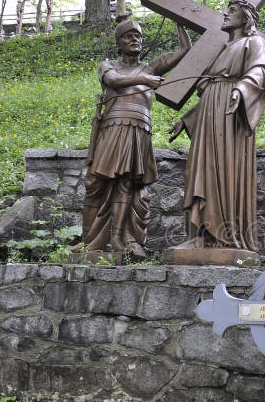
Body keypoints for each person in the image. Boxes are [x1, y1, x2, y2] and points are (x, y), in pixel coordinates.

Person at [76, 18, 191, 259]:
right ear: (119, 43)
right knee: (95, 182)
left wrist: (179, 22)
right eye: (128, 36)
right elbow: (113, 81)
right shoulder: (109, 65)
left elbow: (184, 51)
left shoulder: (150, 68)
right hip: (113, 126)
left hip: (138, 128)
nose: (135, 40)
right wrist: (144, 80)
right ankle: (90, 241)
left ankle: (118, 238)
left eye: (138, 36)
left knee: (127, 182)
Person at [168, 0, 265, 251]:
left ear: (245, 18)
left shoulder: (254, 42)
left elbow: (262, 71)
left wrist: (242, 87)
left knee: (223, 167)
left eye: (232, 11)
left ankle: (223, 235)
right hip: (209, 112)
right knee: (200, 168)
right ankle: (197, 236)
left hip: (231, 111)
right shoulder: (222, 49)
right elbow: (212, 87)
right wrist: (188, 117)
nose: (225, 14)